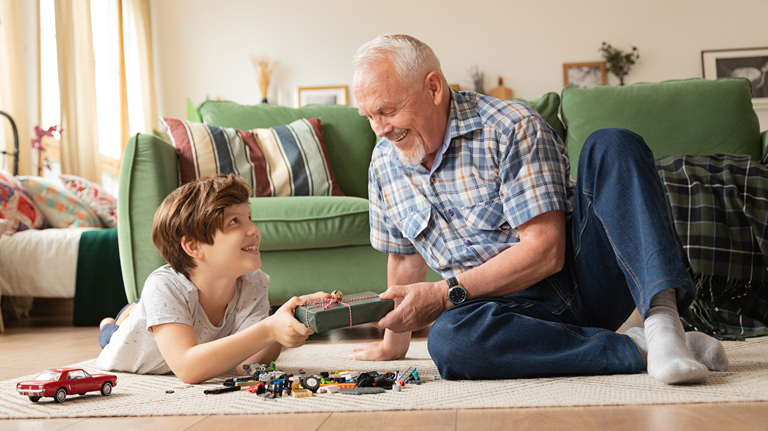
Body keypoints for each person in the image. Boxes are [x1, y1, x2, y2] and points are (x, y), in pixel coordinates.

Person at [349, 34, 729, 384]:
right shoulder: (384, 164)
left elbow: (546, 250)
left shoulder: (510, 126)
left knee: (613, 144)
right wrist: (393, 343)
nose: (379, 128)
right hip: (507, 312)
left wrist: (446, 293)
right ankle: (638, 348)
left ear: (433, 87)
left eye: (387, 110)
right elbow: (404, 260)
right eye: (368, 116)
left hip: (582, 279)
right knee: (450, 343)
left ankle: (664, 326)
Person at [97, 174, 325, 383]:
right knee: (111, 334)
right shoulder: (164, 286)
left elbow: (248, 365)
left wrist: (286, 323)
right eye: (234, 221)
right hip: (133, 339)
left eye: (249, 217)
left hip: (189, 325)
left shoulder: (253, 282)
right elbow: (188, 368)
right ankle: (113, 321)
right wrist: (268, 330)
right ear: (194, 246)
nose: (253, 229)